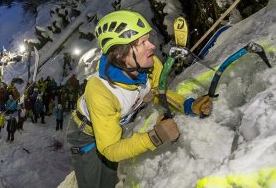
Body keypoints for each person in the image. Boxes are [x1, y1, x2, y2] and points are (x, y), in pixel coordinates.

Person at [66, 10, 213, 188]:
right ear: (120, 55)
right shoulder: (100, 90)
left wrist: (189, 105)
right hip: (86, 135)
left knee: (113, 177)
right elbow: (110, 149)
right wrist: (155, 137)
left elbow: (160, 92)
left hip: (112, 124)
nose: (152, 46)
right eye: (142, 43)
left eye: (148, 39)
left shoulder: (150, 65)